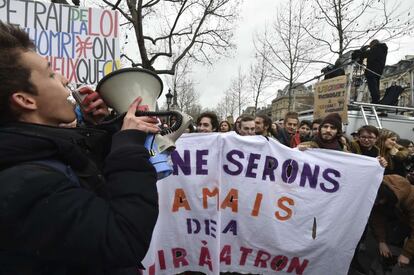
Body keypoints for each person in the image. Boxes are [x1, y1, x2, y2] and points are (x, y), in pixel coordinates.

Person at [0, 22, 159, 274]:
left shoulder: (39, 155)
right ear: (25, 100)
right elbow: (122, 239)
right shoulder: (26, 185)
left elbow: (90, 187)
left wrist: (102, 127)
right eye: (51, 74)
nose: (64, 79)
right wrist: (128, 146)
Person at [371, 175, 414, 267]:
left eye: (378, 201)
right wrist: (381, 241)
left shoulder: (411, 198)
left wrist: (407, 254)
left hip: (407, 218)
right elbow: (377, 217)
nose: (376, 203)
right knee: (391, 240)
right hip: (402, 219)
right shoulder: (379, 190)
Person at [361, 39, 388, 104]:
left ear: (373, 44)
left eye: (370, 46)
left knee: (372, 86)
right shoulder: (383, 49)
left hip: (371, 70)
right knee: (376, 85)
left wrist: (363, 49)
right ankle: (376, 100)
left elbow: (365, 54)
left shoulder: (376, 49)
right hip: (379, 71)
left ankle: (375, 101)